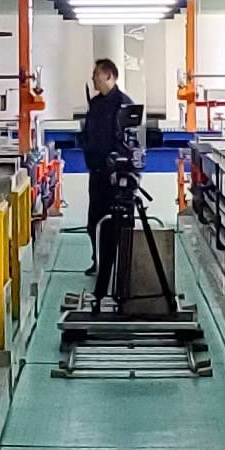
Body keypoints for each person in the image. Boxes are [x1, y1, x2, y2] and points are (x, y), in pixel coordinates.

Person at [77, 59, 145, 309]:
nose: (93, 78)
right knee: (94, 220)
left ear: (109, 76)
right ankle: (98, 260)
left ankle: (120, 265)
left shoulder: (124, 104)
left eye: (96, 74)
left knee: (118, 223)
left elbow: (131, 141)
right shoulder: (95, 104)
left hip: (117, 176)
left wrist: (122, 166)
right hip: (97, 173)